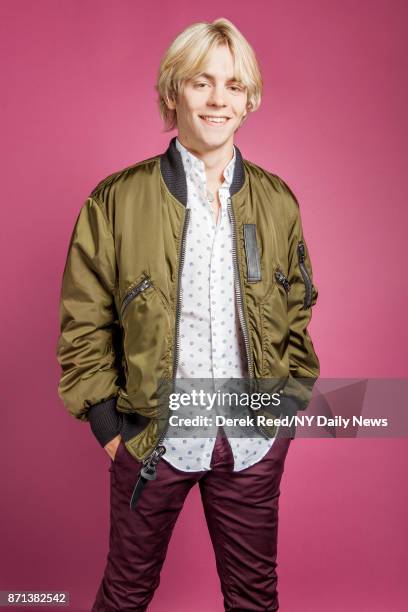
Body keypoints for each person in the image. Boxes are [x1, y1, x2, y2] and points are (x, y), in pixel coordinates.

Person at [56, 17, 320, 612]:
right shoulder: (116, 199)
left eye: (232, 85)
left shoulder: (278, 201)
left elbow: (298, 306)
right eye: (201, 82)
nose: (217, 99)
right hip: (151, 439)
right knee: (125, 596)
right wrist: (106, 427)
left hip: (251, 441)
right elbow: (84, 321)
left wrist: (286, 410)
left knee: (255, 599)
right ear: (172, 92)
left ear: (249, 100)